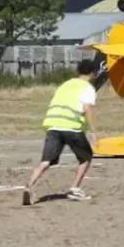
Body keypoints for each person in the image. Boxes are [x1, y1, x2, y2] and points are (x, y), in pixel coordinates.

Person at [22, 59, 100, 205]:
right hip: (71, 126)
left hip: (53, 125)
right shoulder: (87, 88)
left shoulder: (65, 85)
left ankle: (29, 186)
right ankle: (74, 189)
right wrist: (93, 131)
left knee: (46, 161)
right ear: (93, 73)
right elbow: (88, 108)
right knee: (86, 157)